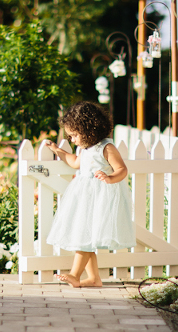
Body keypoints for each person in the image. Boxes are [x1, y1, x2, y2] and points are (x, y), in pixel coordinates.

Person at [44, 101, 136, 288]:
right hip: (84, 197)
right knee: (87, 235)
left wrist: (110, 178)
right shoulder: (84, 149)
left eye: (75, 135)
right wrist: (58, 151)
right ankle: (94, 278)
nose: (72, 140)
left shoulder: (106, 147)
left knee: (85, 237)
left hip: (100, 197)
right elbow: (75, 162)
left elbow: (122, 169)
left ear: (89, 129)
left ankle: (75, 275)